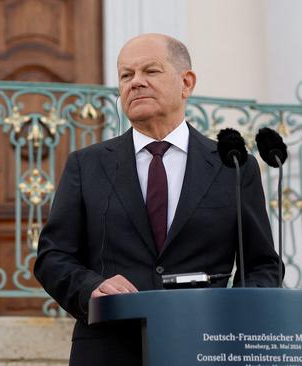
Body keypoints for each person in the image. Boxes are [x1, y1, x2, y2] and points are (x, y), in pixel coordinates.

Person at [34, 33, 280, 365]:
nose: (135, 83)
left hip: (205, 347)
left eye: (150, 71)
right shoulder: (86, 164)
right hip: (108, 349)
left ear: (186, 83)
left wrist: (231, 313)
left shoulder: (232, 165)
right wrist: (90, 286)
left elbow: (262, 265)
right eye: (126, 75)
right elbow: (53, 257)